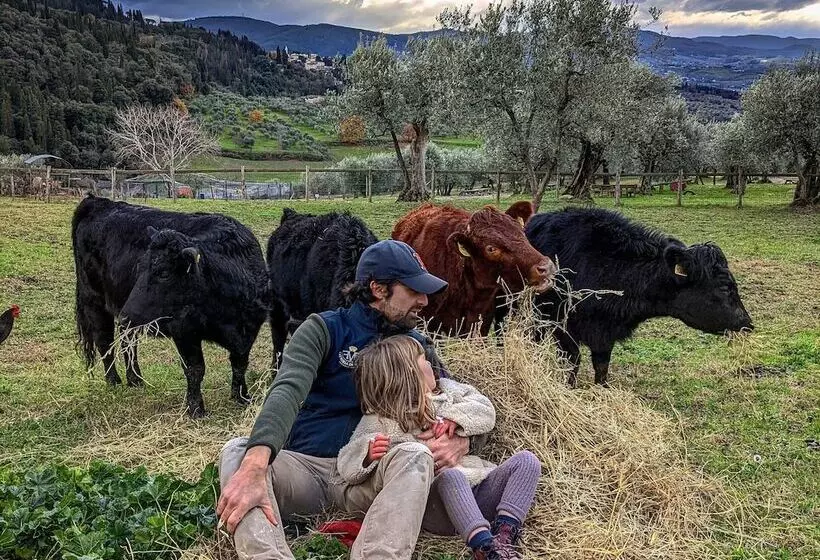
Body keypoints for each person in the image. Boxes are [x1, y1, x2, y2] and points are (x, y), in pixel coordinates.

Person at [216, 239, 472, 560]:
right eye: (413, 290)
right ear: (379, 289)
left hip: (368, 480)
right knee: (239, 452)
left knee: (414, 455)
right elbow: (287, 389)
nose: (424, 300)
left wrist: (463, 438)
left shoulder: (414, 343)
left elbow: (456, 396)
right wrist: (256, 464)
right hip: (306, 471)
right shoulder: (323, 330)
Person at [337, 335, 541, 560]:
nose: (431, 364)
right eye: (423, 360)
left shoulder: (449, 391)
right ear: (408, 375)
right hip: (438, 505)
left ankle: (504, 538)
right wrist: (367, 456)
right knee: (451, 477)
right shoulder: (384, 419)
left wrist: (456, 419)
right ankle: (483, 547)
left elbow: (486, 410)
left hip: (477, 489)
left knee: (527, 461)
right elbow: (347, 459)